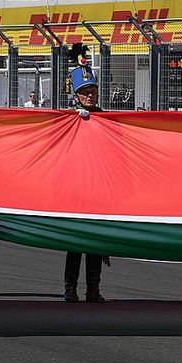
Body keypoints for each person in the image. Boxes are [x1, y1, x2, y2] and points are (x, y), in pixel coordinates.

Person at [63, 43, 107, 303]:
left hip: (98, 188)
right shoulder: (67, 118)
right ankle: (70, 287)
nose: (90, 96)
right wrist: (74, 120)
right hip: (75, 188)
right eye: (84, 92)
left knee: (96, 241)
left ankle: (94, 287)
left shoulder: (105, 118)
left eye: (93, 91)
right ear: (75, 95)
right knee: (75, 241)